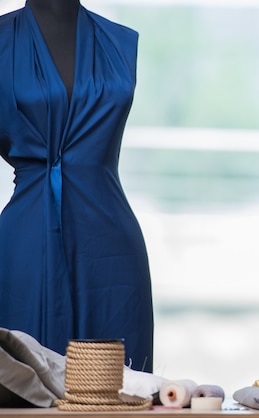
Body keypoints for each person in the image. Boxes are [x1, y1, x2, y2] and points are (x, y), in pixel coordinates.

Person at [0, 0, 154, 371]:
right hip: (26, 244)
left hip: (112, 249)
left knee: (116, 390)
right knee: (20, 386)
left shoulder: (118, 41)